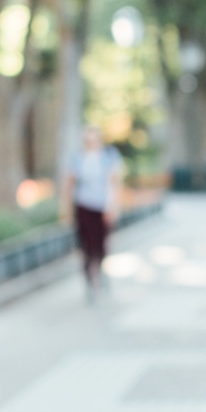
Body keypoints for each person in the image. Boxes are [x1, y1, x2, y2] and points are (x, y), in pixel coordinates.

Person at [64, 126, 124, 300]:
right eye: (87, 140)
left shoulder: (108, 158)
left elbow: (114, 184)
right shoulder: (77, 159)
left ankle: (101, 273)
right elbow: (69, 185)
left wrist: (113, 207)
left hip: (102, 207)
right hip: (83, 206)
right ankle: (89, 281)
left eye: (94, 140)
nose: (91, 143)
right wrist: (67, 211)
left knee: (101, 245)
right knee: (85, 246)